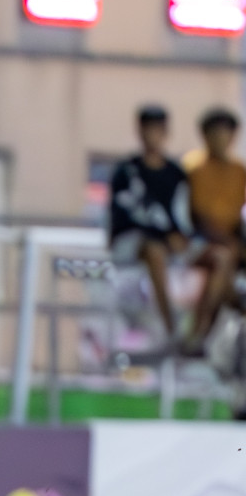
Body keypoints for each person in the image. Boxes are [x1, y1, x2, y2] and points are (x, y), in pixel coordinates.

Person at [108, 105, 191, 339]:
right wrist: (164, 236)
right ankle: (170, 326)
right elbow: (125, 215)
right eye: (148, 129)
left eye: (158, 130)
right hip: (131, 243)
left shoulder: (176, 173)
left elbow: (181, 216)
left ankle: (198, 334)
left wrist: (180, 237)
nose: (153, 135)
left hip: (169, 247)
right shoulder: (127, 171)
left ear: (166, 132)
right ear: (140, 131)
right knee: (154, 251)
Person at [183, 107, 245, 349]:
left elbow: (238, 215)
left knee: (227, 266)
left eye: (228, 132)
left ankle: (207, 336)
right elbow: (195, 216)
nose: (223, 138)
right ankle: (200, 332)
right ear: (205, 135)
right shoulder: (193, 168)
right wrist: (229, 242)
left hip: (232, 242)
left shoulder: (240, 171)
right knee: (223, 259)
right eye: (217, 132)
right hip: (198, 242)